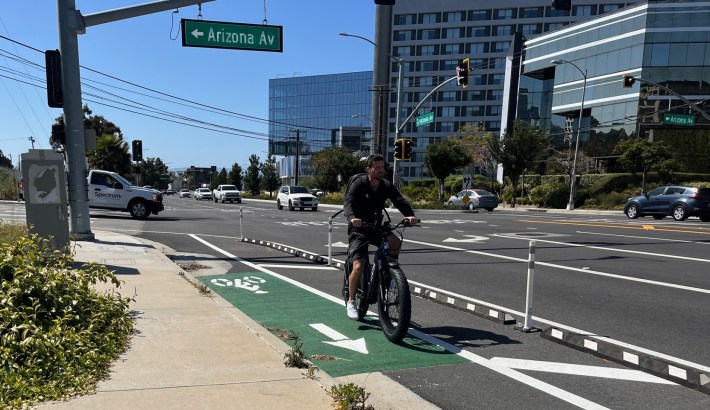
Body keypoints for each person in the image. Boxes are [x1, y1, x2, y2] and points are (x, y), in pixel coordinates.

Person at [343, 154, 419, 320]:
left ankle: (390, 272)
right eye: (377, 167)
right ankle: (351, 301)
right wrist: (352, 219)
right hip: (359, 229)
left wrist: (410, 215)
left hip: (376, 226)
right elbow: (348, 204)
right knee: (358, 265)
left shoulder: (386, 185)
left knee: (395, 241)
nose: (380, 170)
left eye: (382, 167)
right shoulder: (359, 184)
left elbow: (399, 200)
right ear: (368, 169)